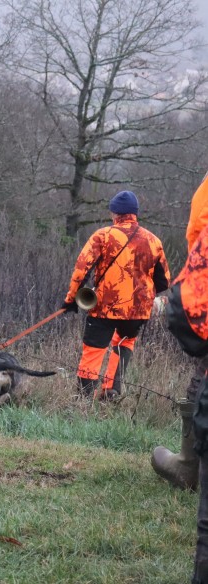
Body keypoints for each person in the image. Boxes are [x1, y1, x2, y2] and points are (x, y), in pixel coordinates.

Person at [60, 190, 170, 400]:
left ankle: (83, 399)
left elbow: (81, 270)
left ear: (115, 213)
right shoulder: (153, 240)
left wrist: (71, 300)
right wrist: (142, 294)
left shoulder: (103, 235)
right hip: (138, 311)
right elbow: (164, 280)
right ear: (134, 213)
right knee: (124, 343)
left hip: (104, 306)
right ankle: (111, 391)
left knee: (94, 349)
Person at [152, 174, 208, 489]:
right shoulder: (150, 240)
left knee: (203, 378)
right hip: (135, 313)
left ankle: (189, 466)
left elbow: (199, 228)